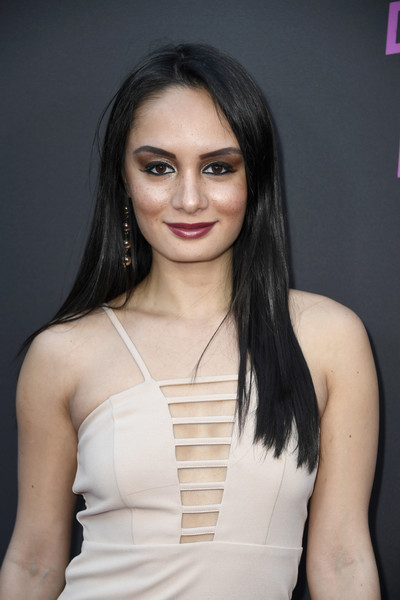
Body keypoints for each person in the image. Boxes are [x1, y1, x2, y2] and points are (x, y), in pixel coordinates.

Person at [0, 43, 380, 600]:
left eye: (218, 167)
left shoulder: (328, 338)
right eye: (158, 167)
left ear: (254, 180)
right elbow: (33, 562)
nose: (189, 198)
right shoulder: (63, 352)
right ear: (124, 182)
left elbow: (343, 559)